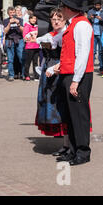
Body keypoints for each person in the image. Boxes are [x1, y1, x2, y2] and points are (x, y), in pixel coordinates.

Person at [55, 0, 94, 166]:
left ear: (69, 8)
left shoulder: (81, 25)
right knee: (71, 115)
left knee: (79, 115)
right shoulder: (74, 24)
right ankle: (73, 149)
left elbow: (83, 53)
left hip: (78, 74)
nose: (61, 9)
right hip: (69, 73)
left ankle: (82, 151)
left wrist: (76, 80)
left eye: (63, 6)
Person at [35, 8, 70, 155]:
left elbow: (67, 57)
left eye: (59, 19)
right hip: (48, 74)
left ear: (64, 20)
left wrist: (54, 67)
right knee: (54, 107)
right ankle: (66, 144)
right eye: (53, 19)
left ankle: (69, 145)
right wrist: (33, 38)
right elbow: (42, 39)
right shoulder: (52, 34)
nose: (55, 21)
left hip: (60, 73)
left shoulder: (65, 34)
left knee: (63, 108)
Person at [3, 6, 24, 81]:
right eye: (10, 13)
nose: (12, 14)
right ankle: (11, 75)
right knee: (10, 59)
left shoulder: (20, 20)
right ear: (8, 13)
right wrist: (9, 23)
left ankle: (23, 74)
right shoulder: (6, 20)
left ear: (15, 13)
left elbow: (23, 31)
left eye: (13, 12)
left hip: (19, 39)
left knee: (21, 58)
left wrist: (18, 24)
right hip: (9, 40)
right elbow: (5, 31)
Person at [87, 0, 103, 74]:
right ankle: (90, 67)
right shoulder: (90, 11)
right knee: (93, 51)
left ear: (101, 5)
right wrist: (90, 17)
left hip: (101, 33)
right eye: (96, 5)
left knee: (101, 52)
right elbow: (87, 20)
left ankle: (101, 68)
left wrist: (101, 19)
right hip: (92, 34)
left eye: (98, 5)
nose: (97, 6)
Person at [22, 14, 40, 81]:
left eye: (35, 19)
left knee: (35, 63)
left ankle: (36, 76)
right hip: (29, 47)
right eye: (32, 18)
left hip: (36, 46)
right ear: (29, 19)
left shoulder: (37, 27)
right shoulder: (27, 26)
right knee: (28, 62)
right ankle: (26, 75)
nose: (34, 20)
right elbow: (25, 37)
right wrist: (31, 36)